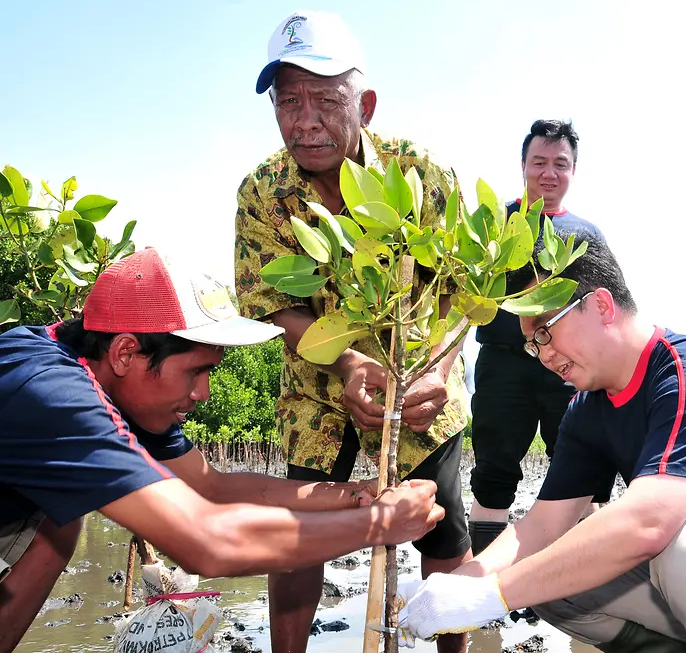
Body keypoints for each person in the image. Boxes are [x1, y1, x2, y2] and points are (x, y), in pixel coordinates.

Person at [397, 235, 686, 653]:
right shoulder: (587, 408)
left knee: (685, 551)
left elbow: (648, 523)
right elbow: (540, 527)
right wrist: (459, 584)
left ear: (601, 305)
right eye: (531, 345)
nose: (543, 356)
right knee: (550, 578)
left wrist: (493, 597)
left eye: (544, 332)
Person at [0, 249, 444, 653]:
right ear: (125, 352)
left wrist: (354, 494)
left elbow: (213, 487)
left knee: (58, 524)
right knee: (60, 525)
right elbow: (207, 542)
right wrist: (380, 523)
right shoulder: (52, 394)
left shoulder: (104, 376)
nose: (205, 393)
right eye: (196, 371)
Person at [235, 10, 470, 653]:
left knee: (443, 530)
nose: (302, 120)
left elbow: (460, 292)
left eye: (322, 100)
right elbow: (264, 300)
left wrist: (439, 373)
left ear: (363, 103)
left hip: (419, 373)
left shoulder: (418, 173)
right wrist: (343, 363)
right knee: (296, 536)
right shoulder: (262, 191)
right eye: (287, 101)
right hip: (316, 384)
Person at [468, 119, 604, 554]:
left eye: (559, 164)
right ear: (523, 166)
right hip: (504, 365)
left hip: (569, 369)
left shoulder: (586, 235)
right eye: (539, 162)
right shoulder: (495, 222)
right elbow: (462, 294)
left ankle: (583, 588)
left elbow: (608, 311)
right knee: (492, 475)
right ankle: (484, 592)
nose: (549, 173)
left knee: (586, 475)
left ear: (573, 171)